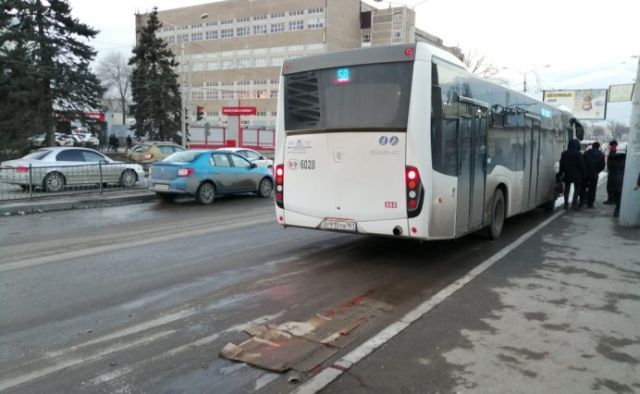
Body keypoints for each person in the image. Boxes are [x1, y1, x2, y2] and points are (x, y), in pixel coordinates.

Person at [559, 139, 586, 210]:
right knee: (577, 189)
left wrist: (560, 173)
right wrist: (584, 172)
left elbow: (561, 164)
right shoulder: (578, 154)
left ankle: (566, 204)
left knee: (566, 190)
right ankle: (574, 204)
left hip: (567, 174)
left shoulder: (564, 153)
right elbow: (581, 165)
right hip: (577, 175)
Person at [581, 142, 605, 208]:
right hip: (594, 174)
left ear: (592, 146)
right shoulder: (601, 155)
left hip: (585, 174)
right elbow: (602, 166)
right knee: (592, 189)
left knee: (583, 187)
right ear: (598, 147)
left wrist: (585, 171)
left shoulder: (586, 153)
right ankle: (590, 203)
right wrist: (597, 171)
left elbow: (582, 162)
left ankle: (582, 201)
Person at [608, 143, 626, 217]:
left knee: (617, 195)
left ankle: (617, 210)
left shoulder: (612, 159)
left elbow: (609, 168)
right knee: (621, 196)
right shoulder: (626, 161)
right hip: (622, 179)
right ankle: (620, 210)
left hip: (614, 179)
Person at [604, 140, 618, 204]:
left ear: (611, 145)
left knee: (610, 186)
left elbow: (611, 161)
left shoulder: (613, 151)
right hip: (615, 171)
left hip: (612, 171)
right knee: (613, 186)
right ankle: (613, 199)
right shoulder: (615, 150)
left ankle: (611, 200)